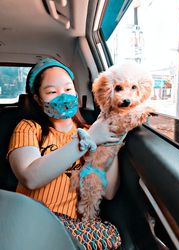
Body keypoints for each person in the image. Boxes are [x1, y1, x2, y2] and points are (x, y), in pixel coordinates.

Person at [7, 58, 122, 249]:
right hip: (30, 219)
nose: (63, 96)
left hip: (71, 228)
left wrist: (111, 143)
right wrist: (88, 140)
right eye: (52, 92)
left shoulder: (91, 130)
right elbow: (30, 178)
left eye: (68, 89)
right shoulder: (28, 128)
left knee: (109, 236)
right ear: (37, 98)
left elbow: (107, 192)